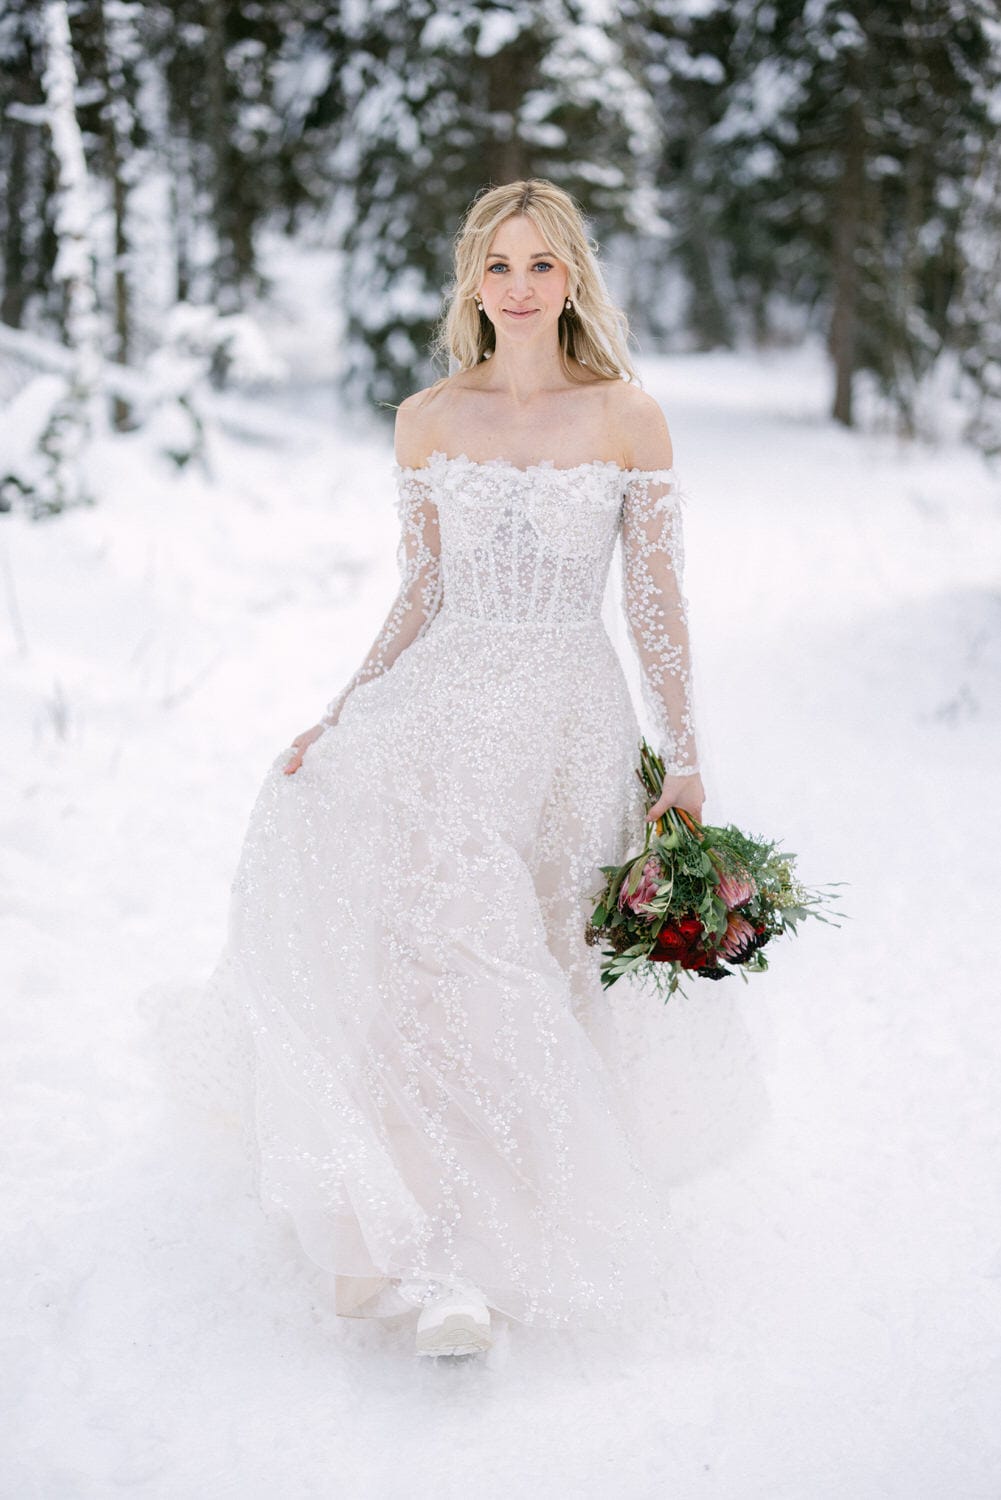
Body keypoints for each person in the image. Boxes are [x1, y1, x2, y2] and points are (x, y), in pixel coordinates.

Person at [217, 178, 706, 1359]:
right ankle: (444, 1265)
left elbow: (653, 602)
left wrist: (681, 759)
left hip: (562, 718)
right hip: (441, 710)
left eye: (542, 266)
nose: (521, 287)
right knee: (442, 956)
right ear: (471, 283)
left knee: (533, 965)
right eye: (500, 266)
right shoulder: (429, 417)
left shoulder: (626, 416)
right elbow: (420, 590)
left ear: (573, 276)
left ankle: (511, 1224)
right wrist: (342, 712)